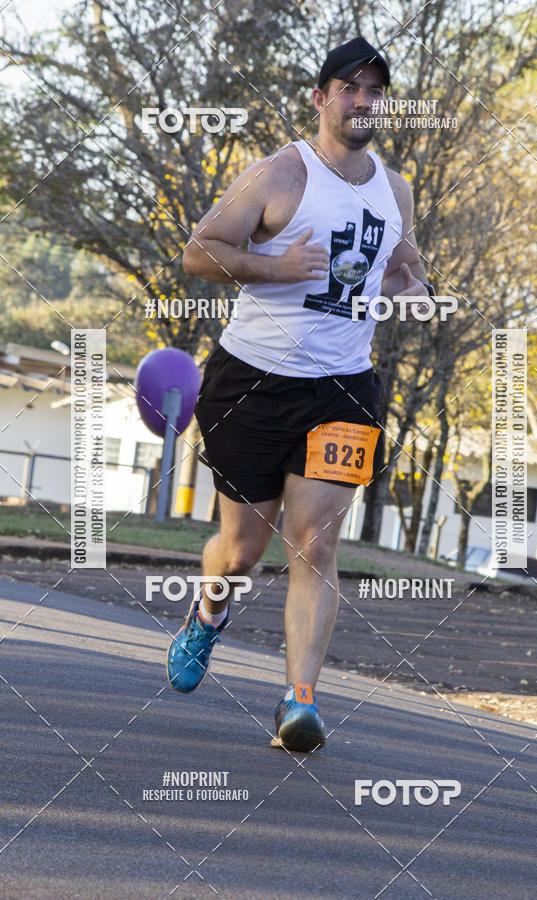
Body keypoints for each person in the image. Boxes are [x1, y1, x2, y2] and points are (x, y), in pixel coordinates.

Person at [166, 36, 431, 752]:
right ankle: (208, 614)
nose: (363, 100)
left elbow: (404, 263)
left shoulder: (395, 188)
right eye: (349, 87)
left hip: (344, 387)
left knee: (314, 541)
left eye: (375, 89)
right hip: (251, 381)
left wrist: (414, 288)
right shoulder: (280, 174)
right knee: (244, 547)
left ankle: (299, 704)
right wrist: (276, 266)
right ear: (321, 98)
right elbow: (201, 250)